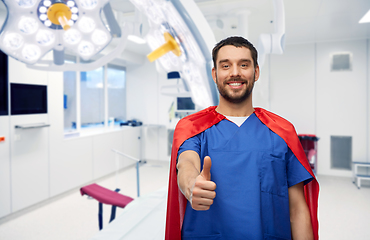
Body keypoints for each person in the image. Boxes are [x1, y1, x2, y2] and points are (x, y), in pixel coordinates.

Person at [165, 36, 319, 240]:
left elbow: (297, 210)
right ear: (215, 73)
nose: (235, 72)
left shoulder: (281, 131)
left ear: (256, 72)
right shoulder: (193, 127)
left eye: (243, 65)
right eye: (226, 65)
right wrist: (192, 185)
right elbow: (186, 163)